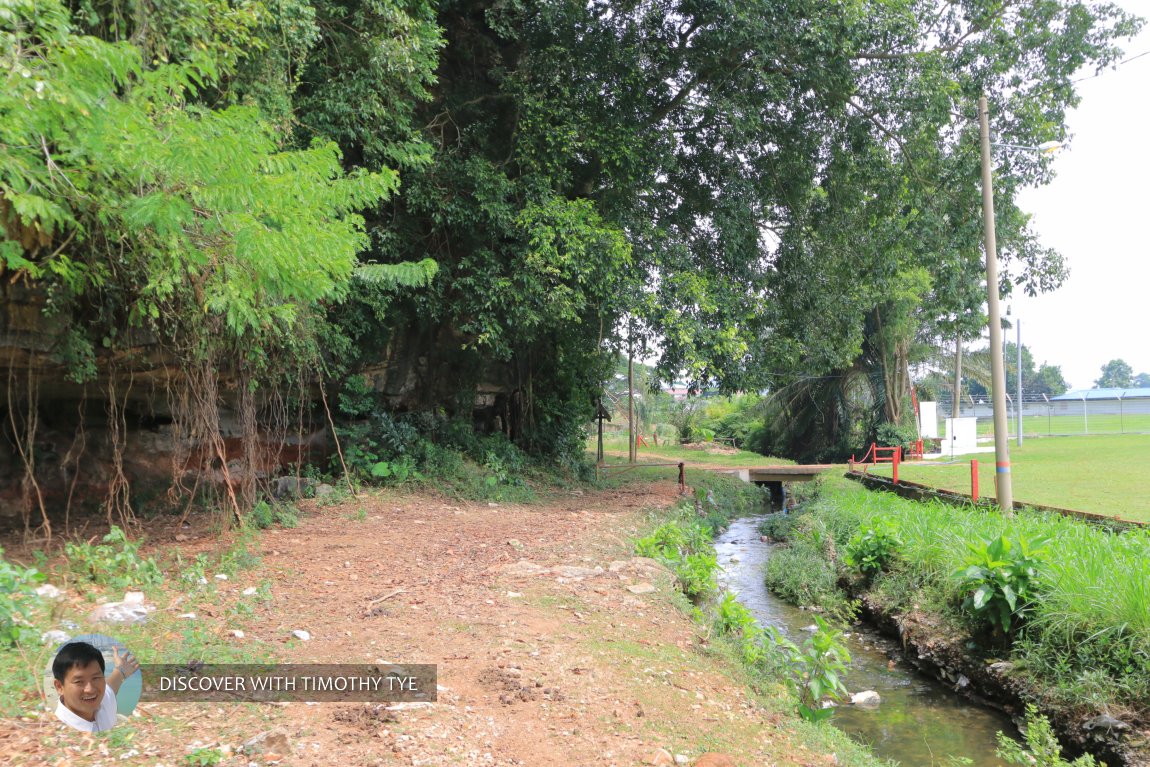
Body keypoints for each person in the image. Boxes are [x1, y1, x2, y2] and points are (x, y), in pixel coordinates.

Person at [51, 641, 139, 733]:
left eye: (96, 678)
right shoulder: (61, 730)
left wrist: (121, 670)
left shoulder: (103, 700)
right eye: (79, 681)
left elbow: (111, 685)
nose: (90, 689)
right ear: (59, 687)